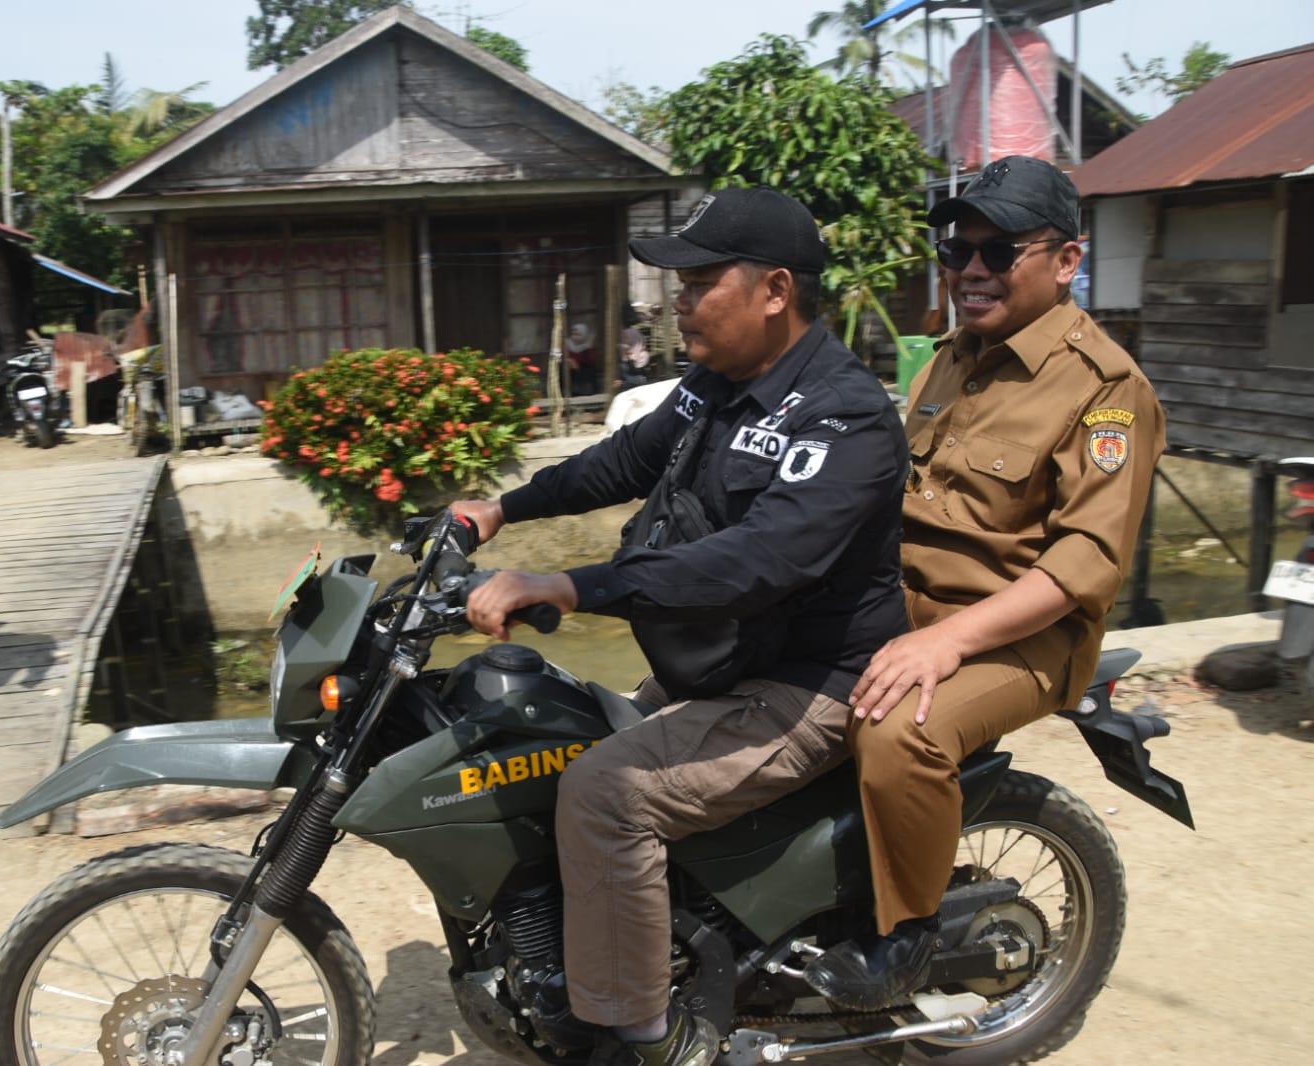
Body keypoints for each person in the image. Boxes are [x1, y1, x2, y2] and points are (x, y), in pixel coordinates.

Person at [454, 187, 910, 1066]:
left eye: (700, 281)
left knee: (605, 793)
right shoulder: (716, 384)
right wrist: (501, 508)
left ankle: (640, 1036)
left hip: (806, 683)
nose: (679, 300)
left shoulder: (842, 414)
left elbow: (755, 561)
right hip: (723, 665)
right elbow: (623, 460)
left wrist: (570, 584)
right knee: (555, 741)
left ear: (775, 290)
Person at [803, 156, 1166, 1009]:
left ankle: (908, 939)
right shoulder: (949, 358)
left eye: (999, 251)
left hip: (1024, 635)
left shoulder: (1106, 390)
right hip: (905, 608)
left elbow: (1084, 562)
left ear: (1066, 261)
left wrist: (946, 638)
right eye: (955, 247)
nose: (969, 268)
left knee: (900, 733)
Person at [564, 321, 600, 396]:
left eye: (577, 335)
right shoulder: (568, 344)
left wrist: (578, 366)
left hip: (585, 372)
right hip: (572, 372)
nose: (574, 337)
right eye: (573, 334)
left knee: (588, 371)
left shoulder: (588, 346)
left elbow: (591, 361)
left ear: (584, 335)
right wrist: (570, 362)